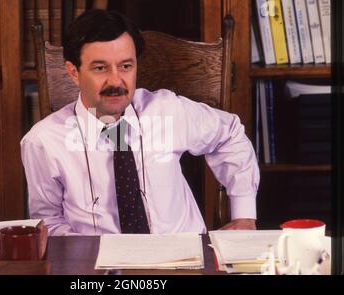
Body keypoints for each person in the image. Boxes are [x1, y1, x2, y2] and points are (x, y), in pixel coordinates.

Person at [21, 9, 260, 236]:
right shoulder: (44, 142)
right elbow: (48, 222)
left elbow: (229, 133)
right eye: (100, 68)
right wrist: (88, 254)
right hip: (101, 267)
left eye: (126, 66)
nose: (116, 81)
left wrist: (244, 215)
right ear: (74, 72)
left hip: (183, 259)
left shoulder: (168, 111)